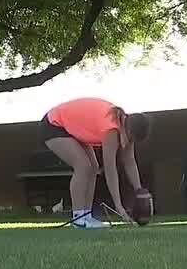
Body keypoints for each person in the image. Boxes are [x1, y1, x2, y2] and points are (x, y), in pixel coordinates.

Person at [42, 97, 151, 228]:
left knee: (93, 167)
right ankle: (78, 218)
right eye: (131, 139)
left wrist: (140, 190)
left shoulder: (126, 126)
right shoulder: (111, 129)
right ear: (128, 130)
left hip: (73, 128)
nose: (129, 143)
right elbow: (110, 169)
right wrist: (118, 205)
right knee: (83, 166)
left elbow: (130, 162)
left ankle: (86, 217)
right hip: (54, 124)